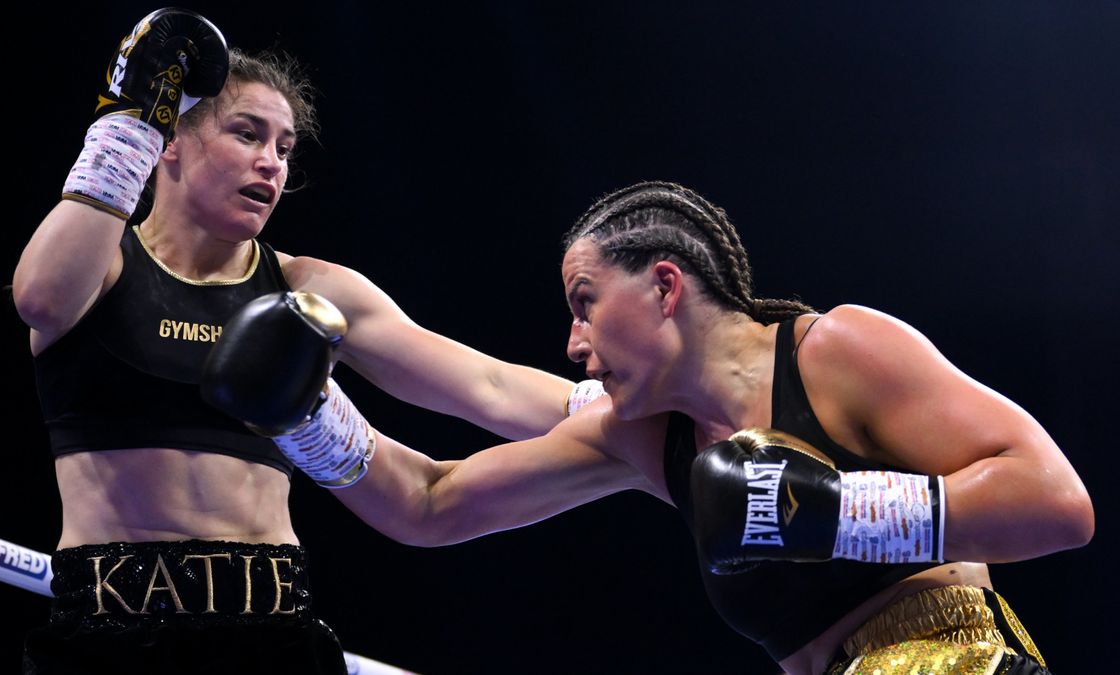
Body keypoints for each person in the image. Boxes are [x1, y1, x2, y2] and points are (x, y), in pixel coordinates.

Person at [217, 180, 1095, 674]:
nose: (573, 342)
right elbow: (432, 501)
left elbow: (1058, 505)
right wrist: (305, 415)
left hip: (955, 659)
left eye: (586, 304)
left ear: (665, 287)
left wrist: (839, 510)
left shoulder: (836, 352)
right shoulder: (645, 436)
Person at [11, 9, 598, 674]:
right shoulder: (102, 263)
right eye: (247, 134)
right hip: (110, 635)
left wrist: (634, 412)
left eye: (285, 148)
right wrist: (129, 120)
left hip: (271, 632)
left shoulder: (305, 286)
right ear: (168, 138)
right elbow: (40, 298)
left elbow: (486, 384)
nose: (271, 162)